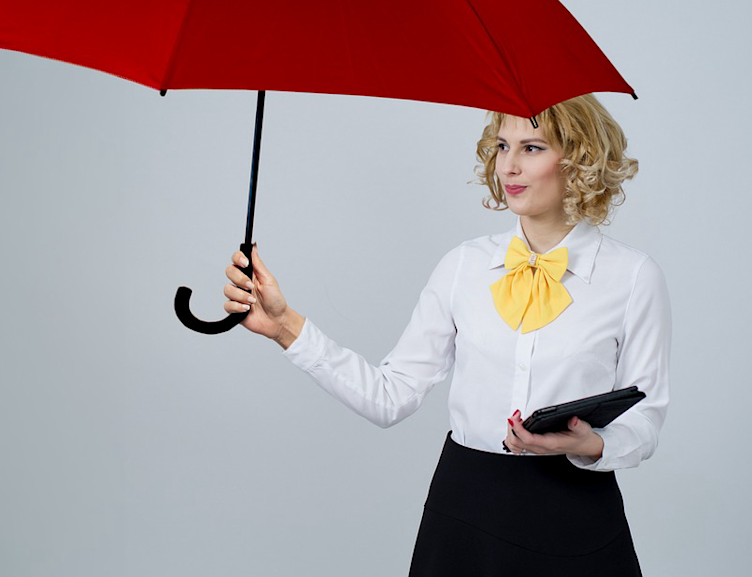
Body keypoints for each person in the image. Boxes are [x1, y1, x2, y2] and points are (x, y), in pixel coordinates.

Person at [221, 94, 671, 575]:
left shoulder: (633, 277)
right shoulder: (464, 267)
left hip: (576, 516)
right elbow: (389, 397)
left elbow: (646, 419)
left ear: (579, 158)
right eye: (502, 146)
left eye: (533, 148)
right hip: (466, 511)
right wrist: (285, 325)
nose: (509, 166)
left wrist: (590, 445)